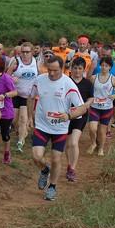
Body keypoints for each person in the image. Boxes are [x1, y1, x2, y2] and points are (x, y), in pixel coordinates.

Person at [27, 56, 87, 201]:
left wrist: (69, 115)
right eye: (49, 70)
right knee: (36, 156)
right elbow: (30, 97)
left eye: (55, 70)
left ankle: (52, 187)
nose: (51, 73)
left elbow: (82, 108)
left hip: (59, 128)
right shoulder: (40, 80)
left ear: (62, 69)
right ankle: (44, 170)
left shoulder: (69, 84)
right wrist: (30, 116)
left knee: (55, 159)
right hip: (42, 125)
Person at [6, 42, 40, 153]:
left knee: (23, 119)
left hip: (28, 96)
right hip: (16, 94)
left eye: (27, 52)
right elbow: (6, 76)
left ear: (32, 52)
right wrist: (12, 78)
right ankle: (21, 131)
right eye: (23, 52)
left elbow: (39, 76)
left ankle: (20, 141)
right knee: (14, 120)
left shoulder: (36, 62)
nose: (25, 54)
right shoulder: (16, 62)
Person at [65, 57, 94, 182]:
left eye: (80, 69)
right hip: (66, 116)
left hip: (81, 115)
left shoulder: (87, 83)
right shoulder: (66, 81)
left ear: (84, 69)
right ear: (71, 69)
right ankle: (68, 164)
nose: (77, 71)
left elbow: (91, 97)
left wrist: (87, 105)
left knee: (73, 142)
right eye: (75, 68)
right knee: (67, 144)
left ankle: (72, 169)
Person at [87, 56, 115, 157]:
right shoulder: (94, 78)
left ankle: (101, 148)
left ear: (110, 67)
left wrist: (114, 96)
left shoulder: (113, 79)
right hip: (95, 107)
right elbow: (88, 90)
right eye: (102, 65)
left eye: (106, 66)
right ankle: (93, 143)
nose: (104, 67)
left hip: (107, 108)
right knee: (92, 128)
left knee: (102, 131)